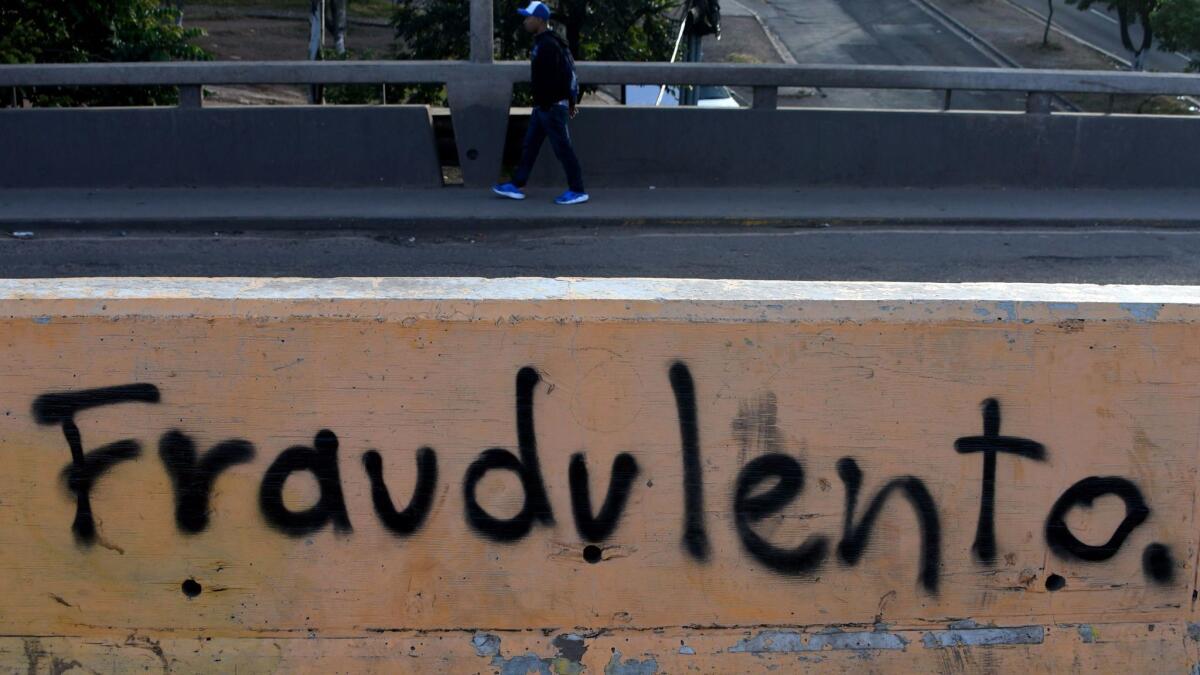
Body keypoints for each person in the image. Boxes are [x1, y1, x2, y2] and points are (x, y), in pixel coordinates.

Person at [493, 1, 589, 205]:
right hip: (544, 106)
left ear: (540, 20)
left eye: (528, 18)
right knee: (530, 146)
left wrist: (563, 102)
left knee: (563, 149)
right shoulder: (546, 42)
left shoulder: (549, 45)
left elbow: (562, 76)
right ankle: (517, 184)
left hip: (551, 107)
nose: (525, 21)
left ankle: (578, 189)